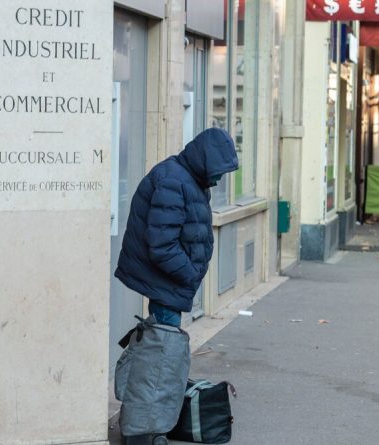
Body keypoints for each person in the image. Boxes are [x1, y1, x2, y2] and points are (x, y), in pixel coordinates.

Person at [114, 127, 238, 445]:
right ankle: (143, 431)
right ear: (205, 160)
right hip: (166, 283)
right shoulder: (173, 179)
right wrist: (189, 275)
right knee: (159, 358)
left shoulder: (186, 178)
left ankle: (149, 422)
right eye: (217, 172)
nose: (218, 180)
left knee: (157, 353)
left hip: (170, 283)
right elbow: (161, 245)